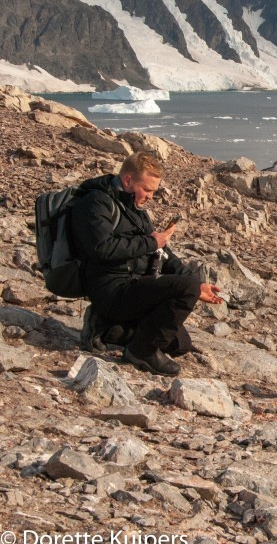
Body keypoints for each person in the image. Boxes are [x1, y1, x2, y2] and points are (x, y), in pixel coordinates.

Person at [71, 152, 223, 376]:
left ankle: (107, 328)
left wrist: (198, 283)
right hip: (110, 289)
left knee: (180, 344)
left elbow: (161, 251)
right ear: (128, 181)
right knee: (184, 290)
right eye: (148, 189)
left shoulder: (134, 209)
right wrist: (150, 241)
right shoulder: (96, 202)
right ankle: (141, 351)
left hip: (133, 286)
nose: (151, 196)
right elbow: (102, 249)